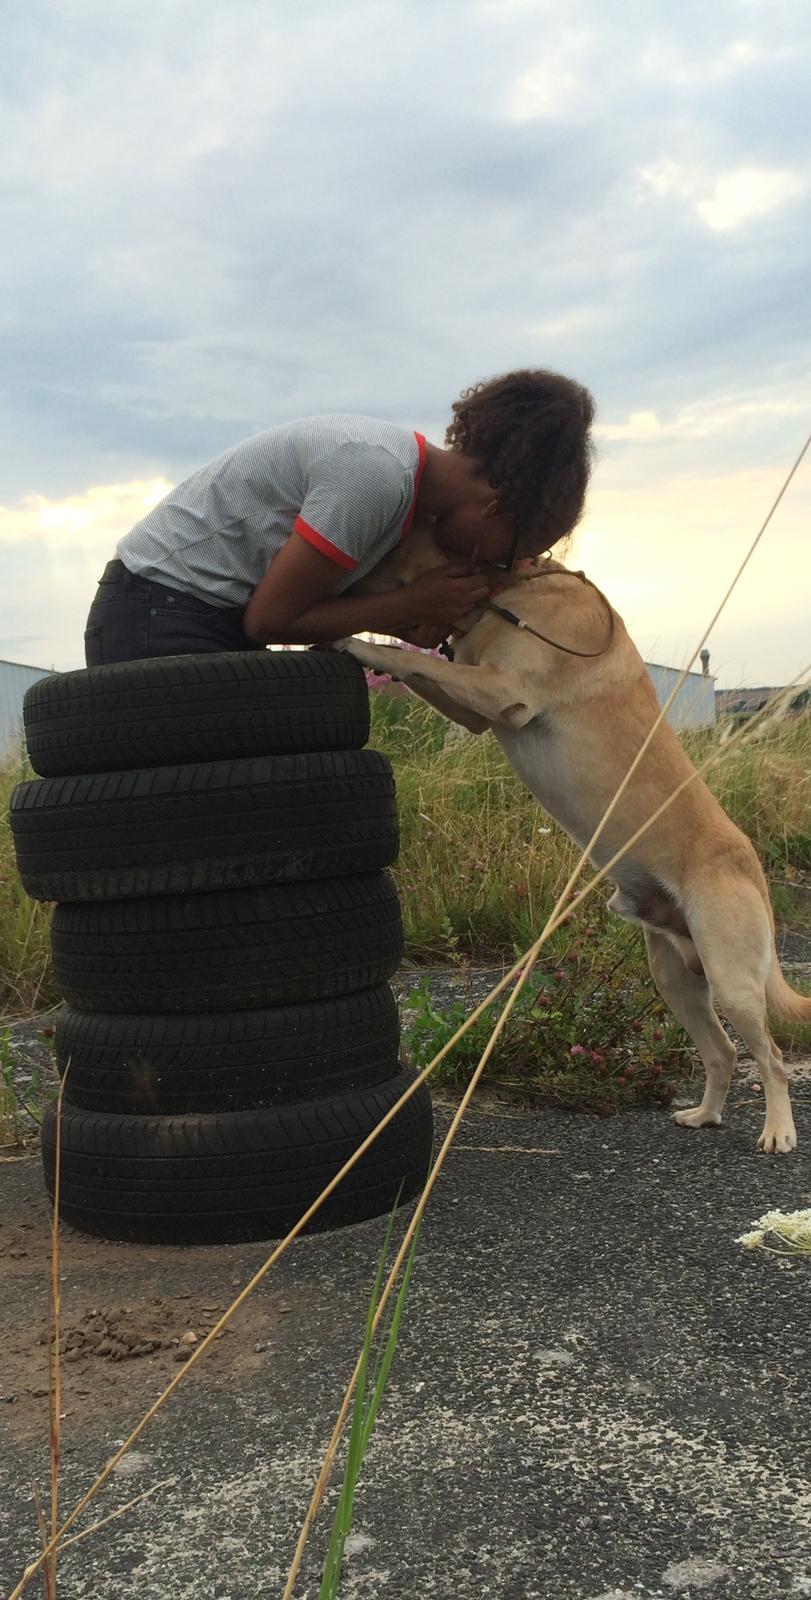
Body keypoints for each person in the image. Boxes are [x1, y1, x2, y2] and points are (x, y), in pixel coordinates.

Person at [83, 369, 595, 666]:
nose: (495, 564)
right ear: (495, 507)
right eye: (509, 553)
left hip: (185, 612)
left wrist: (405, 617)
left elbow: (301, 605)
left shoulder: (403, 487)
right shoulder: (376, 475)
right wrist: (413, 600)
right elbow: (268, 620)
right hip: (156, 612)